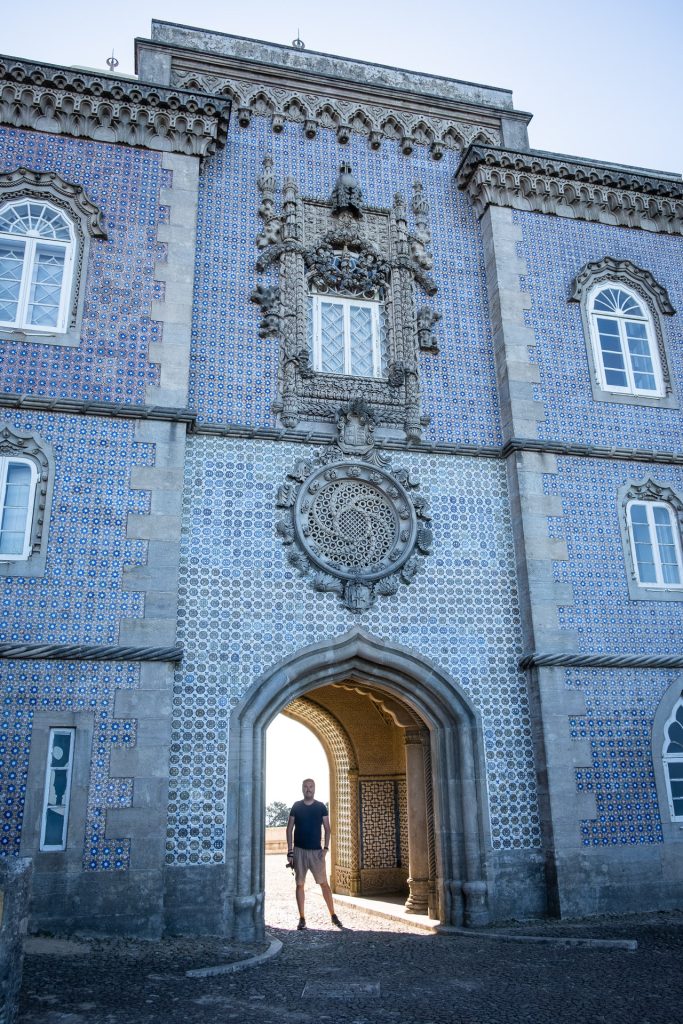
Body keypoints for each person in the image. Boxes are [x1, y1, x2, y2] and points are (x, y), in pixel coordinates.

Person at [286, 778, 343, 931]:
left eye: (311, 786)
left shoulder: (320, 807)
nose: (308, 789)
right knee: (299, 884)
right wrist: (290, 852)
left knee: (324, 883)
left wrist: (325, 848)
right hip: (299, 851)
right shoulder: (296, 806)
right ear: (302, 789)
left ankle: (333, 915)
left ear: (315, 788)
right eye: (305, 786)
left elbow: (327, 828)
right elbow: (289, 829)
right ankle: (302, 918)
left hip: (317, 852)